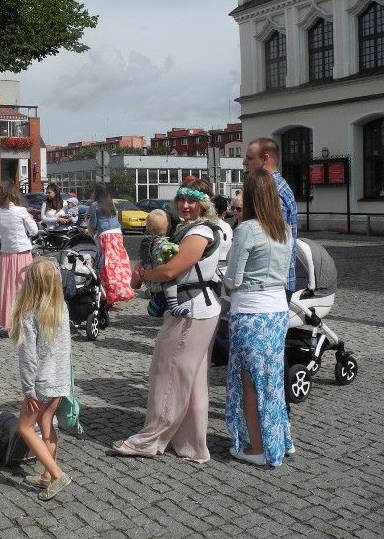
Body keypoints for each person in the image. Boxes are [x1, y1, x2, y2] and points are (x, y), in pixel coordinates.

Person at [113, 179, 222, 463]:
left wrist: (145, 275)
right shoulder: (188, 229)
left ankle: (149, 440)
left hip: (191, 310)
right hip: (197, 308)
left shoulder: (199, 231)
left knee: (166, 373)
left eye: (192, 201)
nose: (185, 206)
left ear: (204, 204)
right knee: (193, 381)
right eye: (181, 200)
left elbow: (172, 269)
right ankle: (192, 445)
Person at [223, 169, 295, 466]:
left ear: (251, 195)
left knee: (250, 381)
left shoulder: (248, 229)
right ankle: (280, 439)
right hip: (278, 310)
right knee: (272, 378)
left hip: (251, 311)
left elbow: (233, 279)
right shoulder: (284, 228)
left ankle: (257, 447)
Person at [9, 257, 73, 502]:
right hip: (60, 379)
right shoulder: (61, 308)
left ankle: (57, 475)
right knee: (47, 425)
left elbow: (29, 358)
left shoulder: (29, 315)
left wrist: (28, 389)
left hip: (42, 384)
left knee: (25, 428)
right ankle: (47, 474)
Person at [243, 138, 297, 299]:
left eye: (250, 158)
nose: (244, 162)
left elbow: (270, 242)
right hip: (274, 281)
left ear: (265, 159)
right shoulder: (277, 185)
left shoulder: (270, 190)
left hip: (270, 284)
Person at [0, 183, 38, 328]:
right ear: (15, 195)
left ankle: (9, 321)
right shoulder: (21, 211)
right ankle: (24, 320)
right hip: (22, 252)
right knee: (23, 287)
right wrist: (30, 218)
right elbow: (34, 231)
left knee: (8, 288)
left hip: (7, 253)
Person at [87, 183, 135, 306]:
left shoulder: (94, 205)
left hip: (105, 235)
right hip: (117, 235)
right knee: (118, 263)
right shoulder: (111, 203)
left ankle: (108, 296)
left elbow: (93, 224)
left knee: (106, 265)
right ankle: (121, 291)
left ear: (96, 193)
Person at [137, 209, 186, 317]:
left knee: (160, 297)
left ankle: (155, 305)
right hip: (161, 280)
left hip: (150, 280)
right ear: (168, 228)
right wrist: (176, 249)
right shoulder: (163, 243)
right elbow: (166, 248)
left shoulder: (146, 243)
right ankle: (174, 307)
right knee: (171, 284)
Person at [212, 195, 234, 268]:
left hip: (211, 265)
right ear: (224, 213)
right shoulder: (228, 227)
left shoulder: (206, 226)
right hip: (227, 264)